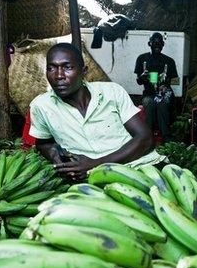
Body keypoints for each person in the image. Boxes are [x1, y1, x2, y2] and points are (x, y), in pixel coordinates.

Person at [29, 42, 166, 182]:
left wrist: (95, 164)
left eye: (68, 67)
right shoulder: (41, 106)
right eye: (51, 68)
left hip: (140, 166)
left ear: (84, 71)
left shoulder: (112, 92)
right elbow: (43, 143)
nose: (59, 76)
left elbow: (145, 138)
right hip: (90, 179)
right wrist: (55, 156)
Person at [134, 32, 179, 143]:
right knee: (149, 104)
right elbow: (139, 82)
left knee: (162, 104)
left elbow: (176, 80)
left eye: (160, 44)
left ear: (163, 45)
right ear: (149, 43)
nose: (157, 46)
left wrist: (166, 83)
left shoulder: (169, 61)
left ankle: (166, 138)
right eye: (155, 43)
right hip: (149, 94)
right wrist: (142, 77)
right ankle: (147, 138)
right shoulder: (142, 58)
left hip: (165, 93)